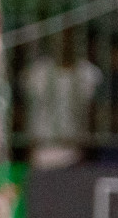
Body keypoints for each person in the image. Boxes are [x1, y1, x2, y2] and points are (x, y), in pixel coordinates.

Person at [20, 29, 101, 170]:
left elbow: (93, 115)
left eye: (70, 39)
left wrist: (87, 152)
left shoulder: (89, 73)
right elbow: (23, 112)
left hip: (75, 153)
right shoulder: (38, 71)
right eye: (61, 38)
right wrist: (27, 149)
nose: (65, 43)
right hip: (41, 152)